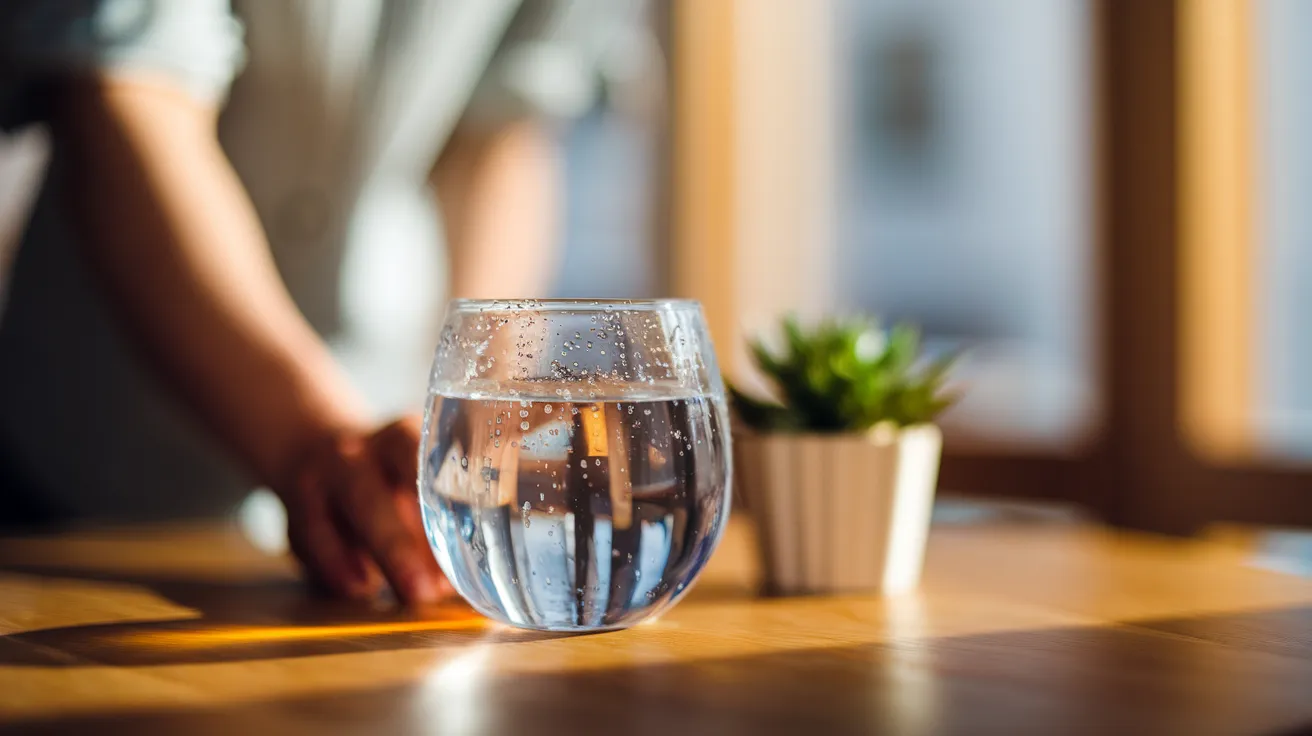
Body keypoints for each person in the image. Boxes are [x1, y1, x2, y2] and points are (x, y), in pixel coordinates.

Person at [0, 0, 638, 604]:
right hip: (86, 467)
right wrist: (312, 437)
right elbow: (125, 88)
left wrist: (477, 433)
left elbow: (503, 128)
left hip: (373, 445)